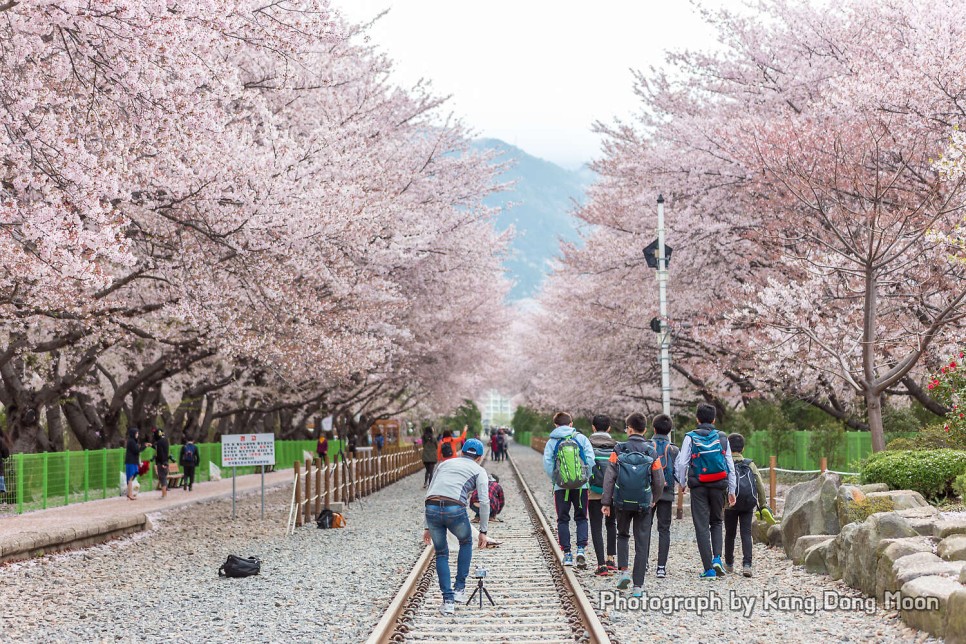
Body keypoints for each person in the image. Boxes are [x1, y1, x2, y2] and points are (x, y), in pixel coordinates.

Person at [423, 438, 489, 615]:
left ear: (461, 451)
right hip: (454, 509)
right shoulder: (479, 471)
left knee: (441, 553)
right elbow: (484, 502)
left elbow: (431, 491)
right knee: (466, 542)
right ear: (479, 457)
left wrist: (426, 526)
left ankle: (448, 601)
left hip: (432, 508)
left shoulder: (445, 464)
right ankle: (459, 589)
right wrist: (483, 531)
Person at [602, 413, 665, 598]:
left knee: (622, 535)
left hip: (621, 502)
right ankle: (638, 586)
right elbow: (659, 480)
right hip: (644, 503)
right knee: (642, 542)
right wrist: (654, 498)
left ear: (628, 428)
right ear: (645, 430)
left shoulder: (619, 449)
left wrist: (606, 501)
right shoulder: (652, 452)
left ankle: (623, 572)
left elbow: (609, 477)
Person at [674, 402, 736, 579]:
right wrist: (732, 490)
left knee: (701, 526)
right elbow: (730, 465)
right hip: (719, 484)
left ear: (697, 419)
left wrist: (682, 482)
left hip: (698, 486)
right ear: (714, 419)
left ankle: (708, 569)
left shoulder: (690, 437)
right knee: (716, 522)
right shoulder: (723, 437)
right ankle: (717, 558)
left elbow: (683, 462)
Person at [543, 412, 595, 567]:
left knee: (563, 519)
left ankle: (567, 554)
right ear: (571, 423)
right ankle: (580, 549)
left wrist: (556, 480)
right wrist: (585, 478)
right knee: (581, 517)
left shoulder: (552, 441)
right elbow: (591, 460)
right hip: (581, 487)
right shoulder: (581, 438)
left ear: (555, 425)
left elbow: (547, 464)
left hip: (561, 487)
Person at [724, 432, 767, 577]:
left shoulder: (725, 462)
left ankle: (729, 564)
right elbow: (759, 485)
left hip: (730, 503)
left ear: (728, 448)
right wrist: (763, 505)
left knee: (730, 534)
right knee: (746, 533)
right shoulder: (750, 464)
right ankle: (747, 565)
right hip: (748, 503)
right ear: (743, 449)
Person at [646, 413, 679, 579]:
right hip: (666, 492)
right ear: (670, 430)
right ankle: (661, 567)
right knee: (664, 529)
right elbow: (679, 472)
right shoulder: (673, 449)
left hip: (648, 492)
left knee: (645, 526)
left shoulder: (646, 446)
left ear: (653, 428)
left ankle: (643, 562)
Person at [587, 414, 618, 576]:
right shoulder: (616, 445)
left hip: (594, 491)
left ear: (593, 427)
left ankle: (600, 565)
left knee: (596, 526)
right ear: (609, 428)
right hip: (612, 491)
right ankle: (611, 559)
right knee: (611, 523)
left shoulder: (587, 444)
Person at [124, 427, 147, 500]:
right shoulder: (131, 441)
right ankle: (130, 494)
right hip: (131, 461)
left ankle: (129, 493)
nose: (137, 435)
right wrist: (144, 446)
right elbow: (137, 450)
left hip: (133, 461)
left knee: (132, 477)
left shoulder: (133, 441)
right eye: (136, 433)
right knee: (130, 478)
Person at [151, 428, 172, 499]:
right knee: (164, 478)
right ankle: (164, 494)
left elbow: (160, 453)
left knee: (162, 478)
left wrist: (162, 462)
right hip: (166, 461)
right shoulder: (166, 441)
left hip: (161, 462)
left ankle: (164, 494)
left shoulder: (159, 442)